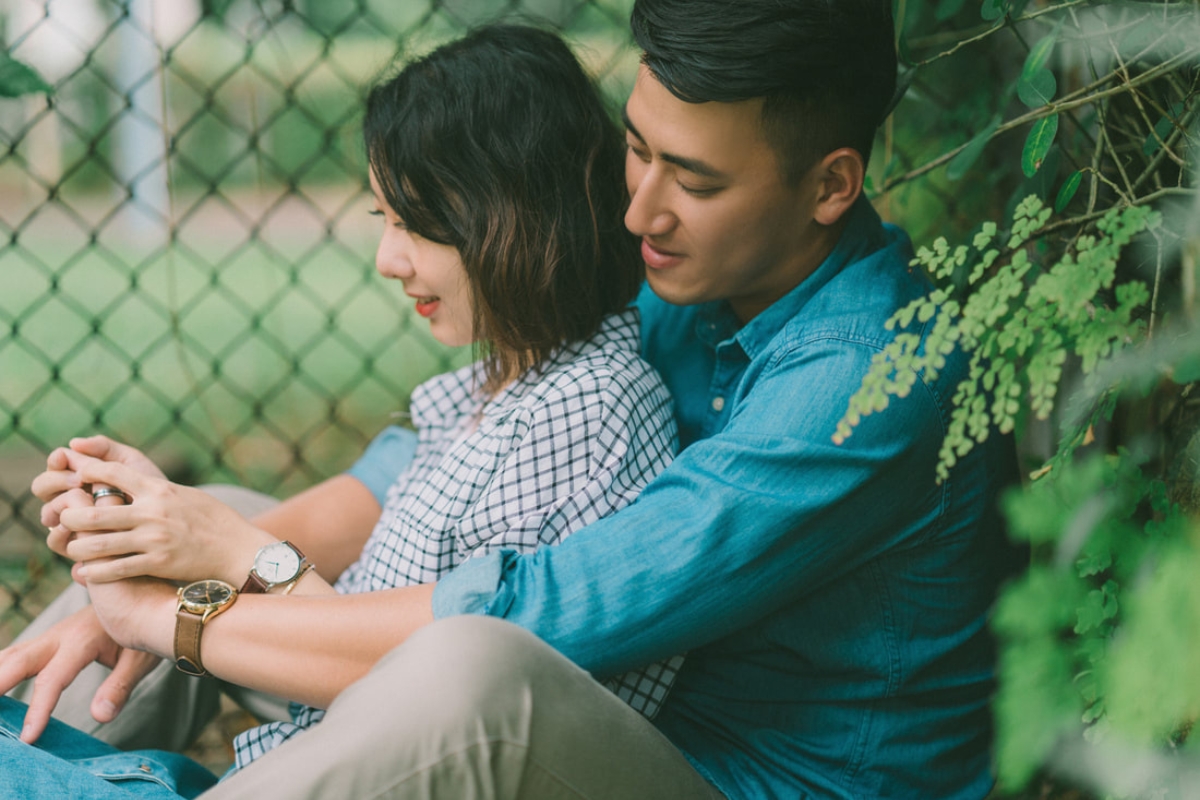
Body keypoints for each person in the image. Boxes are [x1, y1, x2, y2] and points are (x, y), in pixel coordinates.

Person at [15, 0, 1022, 797]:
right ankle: (22, 739)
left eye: (695, 180)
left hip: (736, 777)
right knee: (227, 513)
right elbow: (415, 454)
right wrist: (176, 560)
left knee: (473, 678)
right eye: (637, 147)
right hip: (622, 723)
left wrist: (180, 618)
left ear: (831, 184)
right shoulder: (693, 269)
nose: (636, 208)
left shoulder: (867, 382)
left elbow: (545, 613)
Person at [0, 24, 683, 797]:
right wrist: (152, 563)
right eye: (382, 221)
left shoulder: (582, 417)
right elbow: (366, 639)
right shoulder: (497, 389)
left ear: (517, 217)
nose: (389, 261)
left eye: (416, 225)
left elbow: (423, 700)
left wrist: (232, 561)